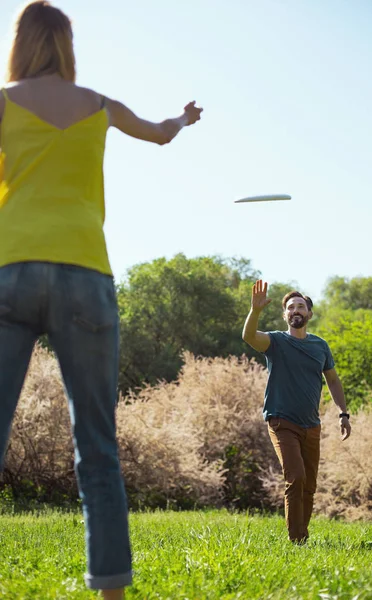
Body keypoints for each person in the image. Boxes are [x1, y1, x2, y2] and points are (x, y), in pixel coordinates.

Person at [0, 2, 202, 598]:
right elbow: (161, 134)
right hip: (86, 274)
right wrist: (184, 119)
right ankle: (111, 592)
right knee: (97, 446)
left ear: (20, 44)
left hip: (10, 270)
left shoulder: (2, 101)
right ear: (66, 45)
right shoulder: (99, 104)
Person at [242, 280, 351, 544]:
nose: (295, 310)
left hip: (311, 425)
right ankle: (297, 541)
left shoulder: (320, 346)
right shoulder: (276, 342)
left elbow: (333, 381)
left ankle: (302, 535)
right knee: (296, 477)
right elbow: (248, 337)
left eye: (300, 306)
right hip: (282, 422)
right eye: (290, 307)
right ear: (285, 315)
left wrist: (343, 413)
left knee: (309, 486)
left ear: (309, 314)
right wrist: (255, 311)